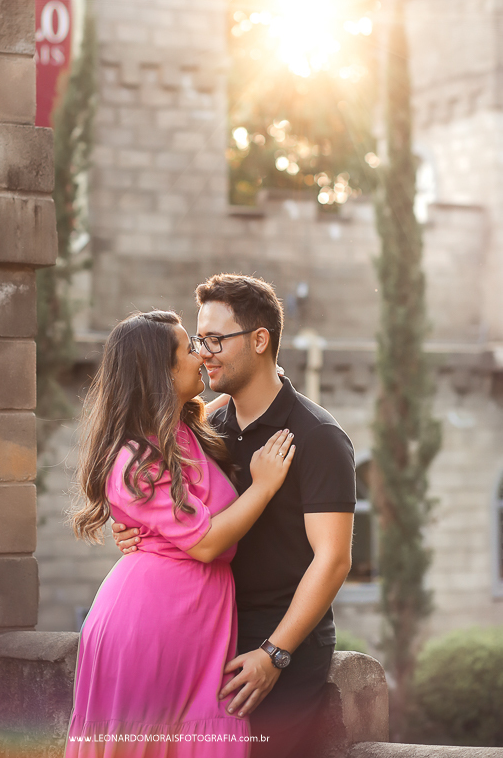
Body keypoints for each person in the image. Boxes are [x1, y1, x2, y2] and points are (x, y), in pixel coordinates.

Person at [113, 275, 356, 758]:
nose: (204, 353)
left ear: (260, 340)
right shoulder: (207, 430)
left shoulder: (317, 436)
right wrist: (140, 531)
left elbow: (333, 560)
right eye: (199, 340)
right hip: (203, 635)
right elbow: (173, 509)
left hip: (278, 644)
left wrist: (274, 653)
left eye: (216, 340)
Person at [66, 309, 296, 758]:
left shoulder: (180, 430)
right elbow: (206, 542)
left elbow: (206, 418)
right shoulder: (135, 458)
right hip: (153, 625)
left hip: (192, 619)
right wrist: (264, 486)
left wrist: (258, 382)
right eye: (189, 349)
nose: (201, 355)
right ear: (163, 373)